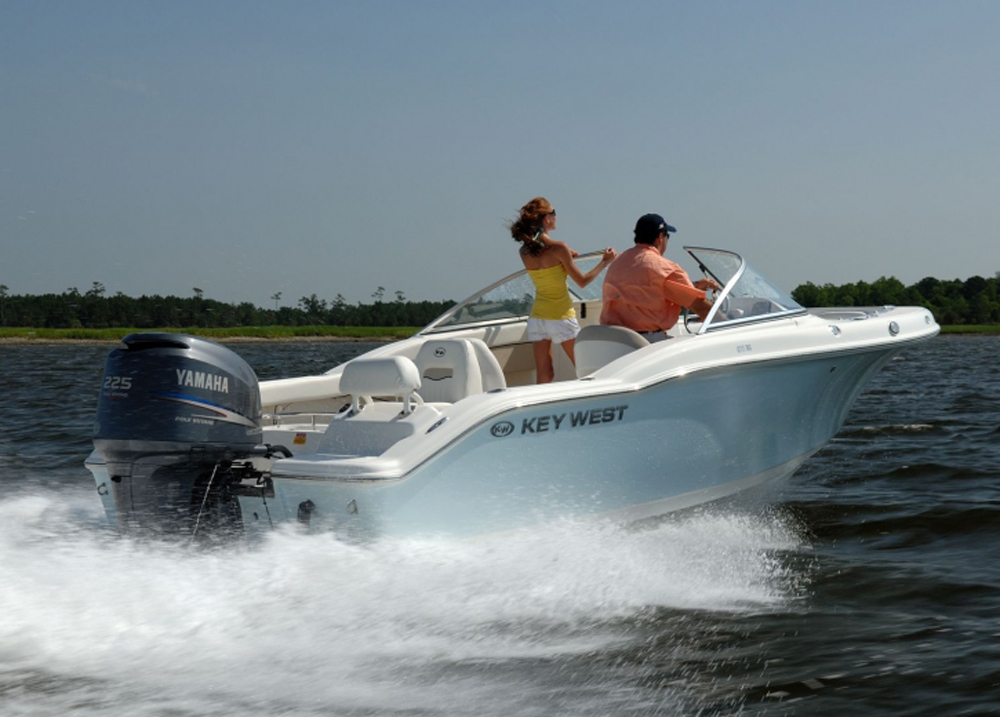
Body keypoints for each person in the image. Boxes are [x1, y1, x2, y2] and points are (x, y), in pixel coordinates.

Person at [510, 197, 617, 383]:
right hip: (560, 317)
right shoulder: (559, 248)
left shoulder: (524, 252)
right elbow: (582, 281)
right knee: (585, 369)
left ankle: (539, 408)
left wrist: (566, 257)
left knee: (545, 373)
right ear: (546, 219)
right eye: (554, 212)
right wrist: (605, 262)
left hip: (537, 318)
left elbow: (545, 261)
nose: (556, 216)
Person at [600, 213, 719, 340]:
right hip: (645, 342)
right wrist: (727, 318)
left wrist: (693, 287)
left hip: (613, 342)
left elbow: (642, 291)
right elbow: (704, 310)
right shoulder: (664, 268)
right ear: (660, 237)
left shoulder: (617, 263)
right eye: (668, 236)